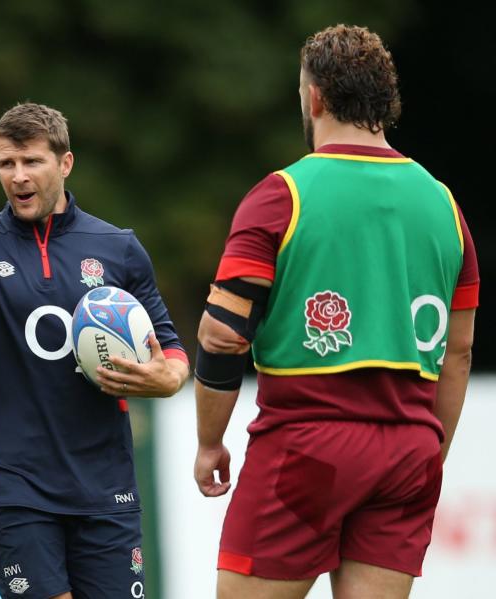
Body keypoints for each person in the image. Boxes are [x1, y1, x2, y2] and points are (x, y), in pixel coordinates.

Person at [193, 24, 479, 599]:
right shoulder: (443, 202)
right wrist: (428, 454)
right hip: (410, 450)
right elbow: (459, 349)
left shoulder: (282, 194)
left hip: (308, 445)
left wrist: (209, 441)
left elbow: (222, 335)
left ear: (315, 97)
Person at [0, 102, 190, 599]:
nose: (18, 176)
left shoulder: (118, 247)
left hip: (105, 484)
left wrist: (168, 378)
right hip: (14, 484)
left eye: (32, 162)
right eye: (7, 164)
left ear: (64, 164)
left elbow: (170, 350)